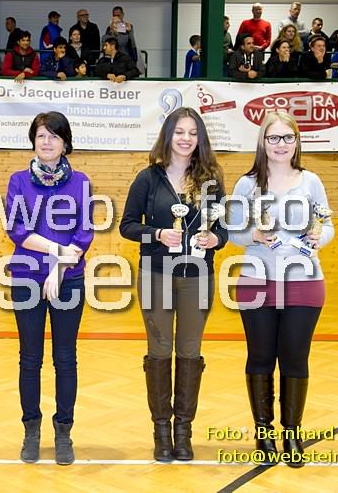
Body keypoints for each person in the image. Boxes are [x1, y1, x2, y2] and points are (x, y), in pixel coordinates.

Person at [120, 107, 227, 462]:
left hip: (198, 277)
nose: (186, 139)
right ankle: (161, 433)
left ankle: (184, 433)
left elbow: (222, 228)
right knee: (160, 350)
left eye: (193, 133)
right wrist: (156, 234)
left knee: (190, 352)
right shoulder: (148, 179)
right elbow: (127, 226)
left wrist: (217, 239)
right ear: (168, 135)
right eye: (179, 132)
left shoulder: (212, 179)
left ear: (200, 139)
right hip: (156, 275)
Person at [228, 111, 334, 468]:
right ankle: (264, 433)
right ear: (263, 142)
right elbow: (233, 233)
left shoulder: (311, 182)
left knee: (295, 358)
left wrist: (320, 236)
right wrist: (254, 235)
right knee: (260, 357)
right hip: (257, 282)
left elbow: (328, 225)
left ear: (297, 141)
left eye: (288, 137)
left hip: (305, 283)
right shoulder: (247, 185)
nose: (281, 144)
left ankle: (292, 434)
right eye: (273, 138)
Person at [5, 111, 94, 466]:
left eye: (54, 136)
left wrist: (59, 268)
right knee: (30, 358)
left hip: (68, 279)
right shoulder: (18, 181)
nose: (47, 142)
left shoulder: (81, 182)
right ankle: (31, 431)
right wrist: (57, 254)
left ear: (65, 143)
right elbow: (18, 231)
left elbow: (83, 234)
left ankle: (63, 432)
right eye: (41, 135)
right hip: (27, 277)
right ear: (33, 141)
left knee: (65, 358)